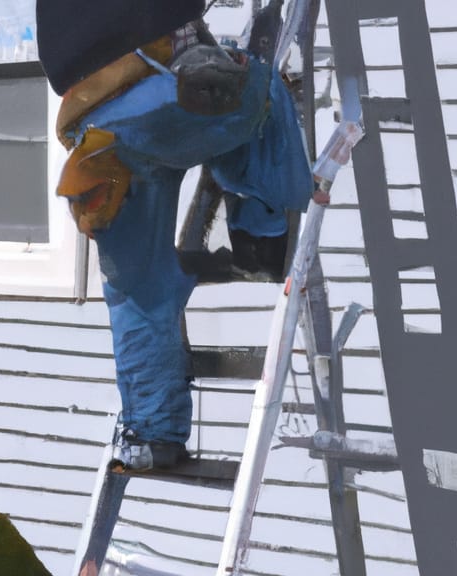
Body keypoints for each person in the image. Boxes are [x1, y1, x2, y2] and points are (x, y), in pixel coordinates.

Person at [37, 0, 319, 471]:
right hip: (169, 95)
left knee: (139, 291)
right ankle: (262, 235)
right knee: (263, 90)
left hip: (98, 136)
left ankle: (152, 436)